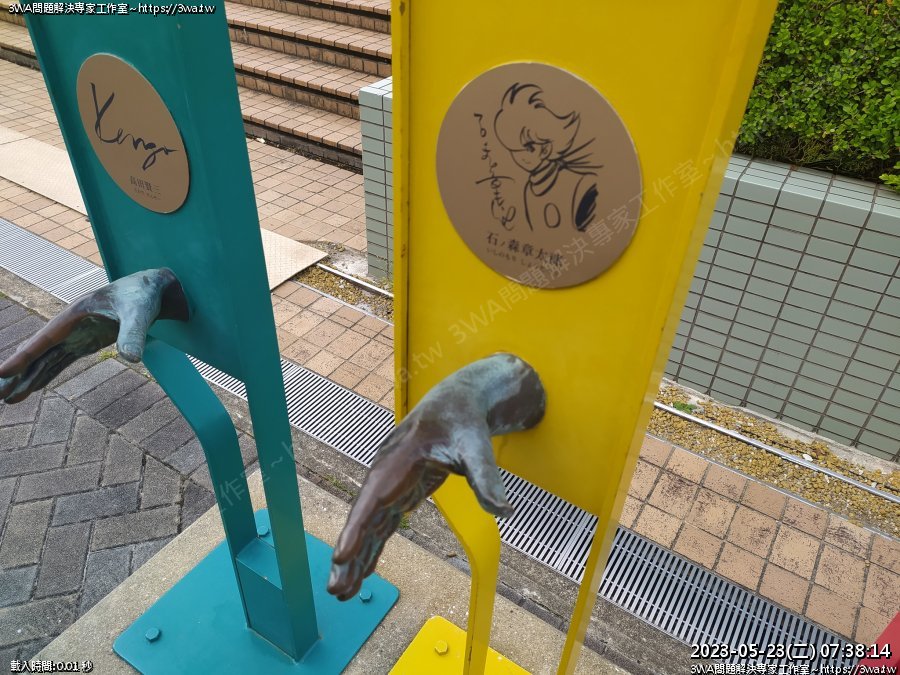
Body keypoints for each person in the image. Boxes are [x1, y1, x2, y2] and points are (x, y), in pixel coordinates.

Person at [493, 83, 601, 232]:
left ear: (545, 149)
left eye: (521, 149)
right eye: (511, 149)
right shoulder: (530, 189)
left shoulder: (582, 185)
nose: (515, 156)